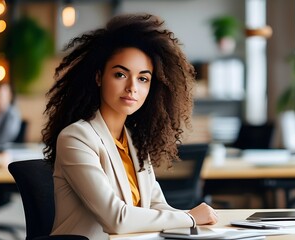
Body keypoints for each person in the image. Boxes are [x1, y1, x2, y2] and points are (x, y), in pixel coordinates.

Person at [42, 13, 218, 239]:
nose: (132, 87)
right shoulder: (76, 137)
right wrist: (190, 217)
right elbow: (116, 218)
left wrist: (192, 216)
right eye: (120, 74)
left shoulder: (134, 141)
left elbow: (156, 206)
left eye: (143, 78)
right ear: (99, 77)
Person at [0, 81, 21, 152]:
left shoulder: (12, 115)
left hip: (4, 152)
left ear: (9, 96)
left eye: (1, 95)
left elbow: (4, 139)